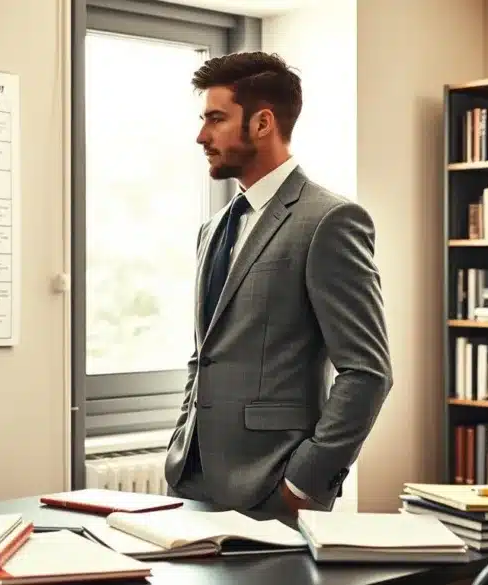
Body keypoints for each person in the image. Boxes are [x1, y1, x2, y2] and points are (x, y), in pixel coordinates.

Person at [163, 51, 393, 515]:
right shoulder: (213, 230)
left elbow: (368, 372)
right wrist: (181, 445)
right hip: (192, 481)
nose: (201, 136)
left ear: (263, 123)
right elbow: (204, 355)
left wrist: (305, 482)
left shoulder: (330, 221)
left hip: (273, 488)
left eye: (216, 119)